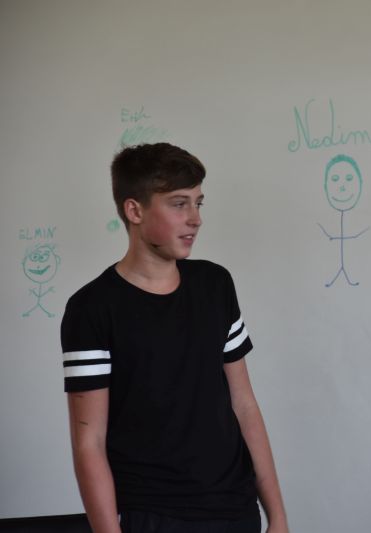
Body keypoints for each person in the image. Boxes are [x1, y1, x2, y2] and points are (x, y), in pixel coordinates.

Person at [61, 143, 288, 533]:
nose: (195, 219)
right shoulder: (92, 308)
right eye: (179, 204)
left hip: (235, 509)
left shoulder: (215, 285)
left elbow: (244, 405)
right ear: (135, 211)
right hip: (151, 514)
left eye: (198, 203)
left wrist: (278, 516)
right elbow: (89, 442)